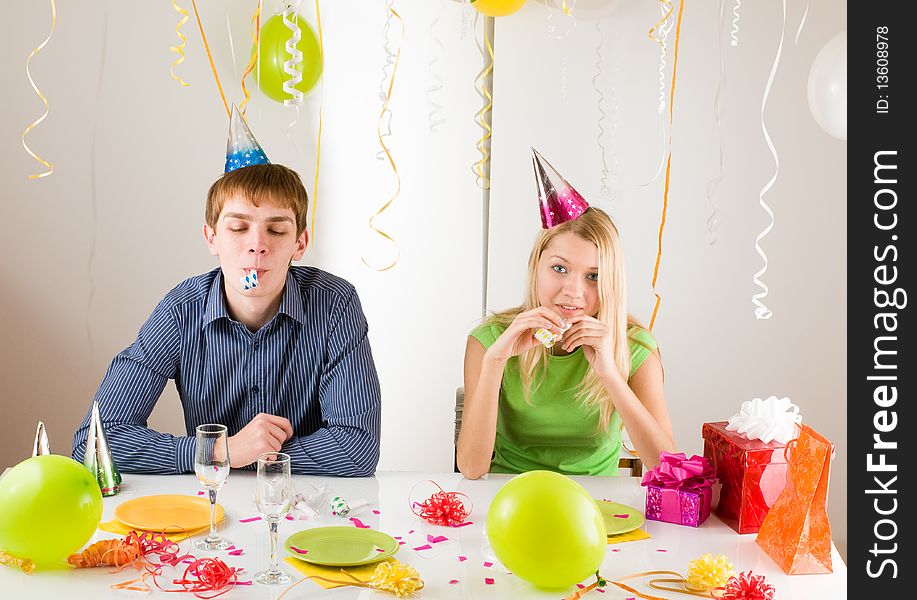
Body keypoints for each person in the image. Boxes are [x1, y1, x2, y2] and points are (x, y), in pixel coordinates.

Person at [72, 106, 381, 476]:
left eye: (277, 230)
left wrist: (263, 456)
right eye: (238, 228)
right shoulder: (181, 311)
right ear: (212, 237)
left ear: (300, 243)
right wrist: (222, 449)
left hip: (307, 509)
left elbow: (358, 448)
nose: (257, 246)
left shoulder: (334, 304)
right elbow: (95, 443)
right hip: (209, 509)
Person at [456, 149, 674, 479]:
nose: (573, 291)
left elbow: (668, 467)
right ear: (536, 266)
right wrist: (495, 362)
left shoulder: (636, 347)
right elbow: (471, 469)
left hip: (596, 504)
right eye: (560, 268)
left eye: (593, 276)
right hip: (508, 493)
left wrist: (610, 374)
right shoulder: (489, 340)